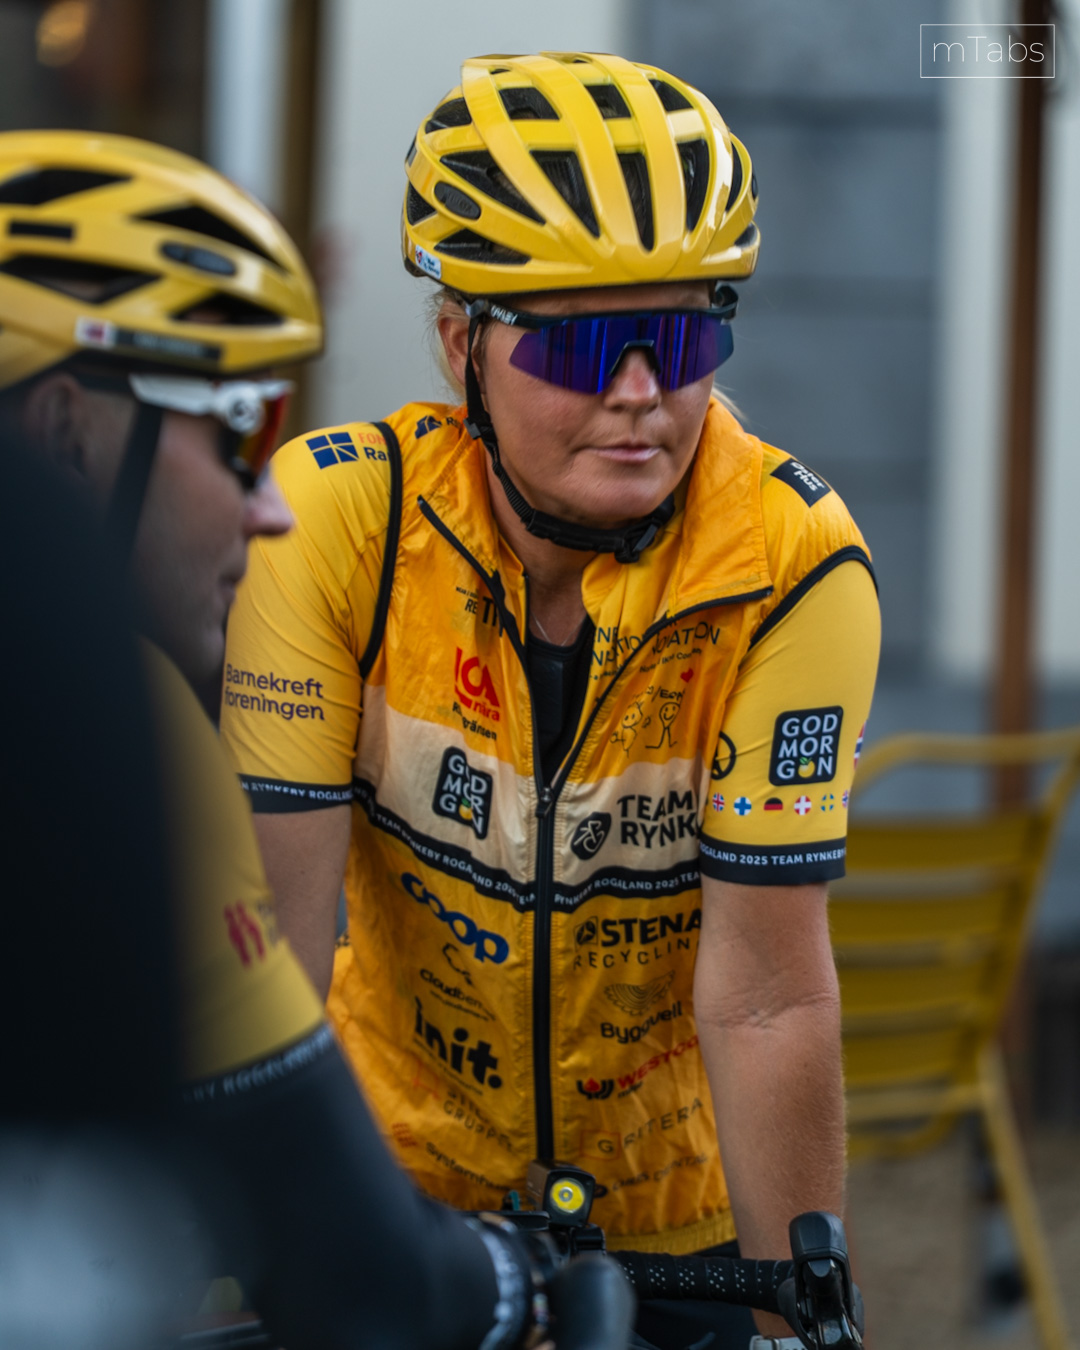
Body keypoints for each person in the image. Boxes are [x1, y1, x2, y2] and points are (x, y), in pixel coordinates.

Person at [219, 52, 880, 1349]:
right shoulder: (338, 522)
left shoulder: (793, 564)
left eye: (681, 338)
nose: (638, 390)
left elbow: (766, 997)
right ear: (458, 341)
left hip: (673, 1216)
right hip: (399, 1190)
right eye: (577, 342)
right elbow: (274, 952)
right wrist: (254, 1238)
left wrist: (802, 1325)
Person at [0, 129, 630, 1350]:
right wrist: (520, 1282)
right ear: (64, 431)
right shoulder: (111, 712)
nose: (269, 502)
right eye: (243, 429)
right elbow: (349, 1261)